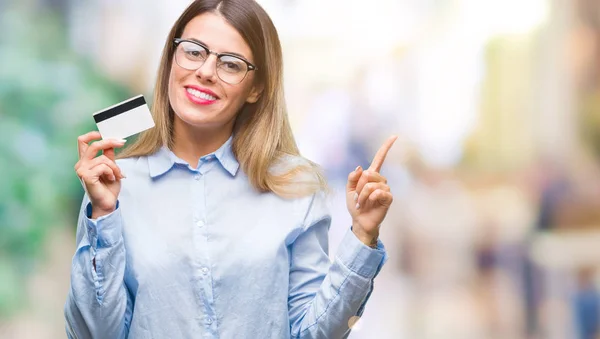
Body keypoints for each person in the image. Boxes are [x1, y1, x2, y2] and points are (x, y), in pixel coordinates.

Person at [64, 1, 397, 338]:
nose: (206, 71)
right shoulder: (118, 186)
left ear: (256, 88)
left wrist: (363, 236)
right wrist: (103, 214)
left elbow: (315, 333)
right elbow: (94, 334)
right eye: (193, 52)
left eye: (231, 64)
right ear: (170, 60)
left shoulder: (296, 186)